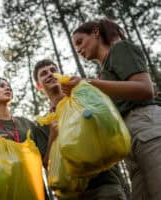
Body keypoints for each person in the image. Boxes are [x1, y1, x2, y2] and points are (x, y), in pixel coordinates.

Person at [63, 18, 161, 200]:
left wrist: (87, 83)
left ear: (96, 32)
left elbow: (145, 89)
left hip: (146, 125)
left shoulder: (120, 48)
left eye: (79, 42)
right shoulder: (104, 73)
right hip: (129, 143)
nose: (78, 50)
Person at [33, 59, 127, 199]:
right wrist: (53, 135)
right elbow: (47, 164)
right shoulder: (43, 124)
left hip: (104, 185)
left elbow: (111, 130)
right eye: (44, 73)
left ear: (61, 75)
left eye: (53, 70)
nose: (50, 74)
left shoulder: (83, 99)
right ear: (39, 86)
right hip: (71, 194)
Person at [0, 77, 53, 199]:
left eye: (9, 86)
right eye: (1, 86)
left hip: (37, 192)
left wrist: (54, 133)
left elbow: (46, 160)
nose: (7, 88)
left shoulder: (26, 123)